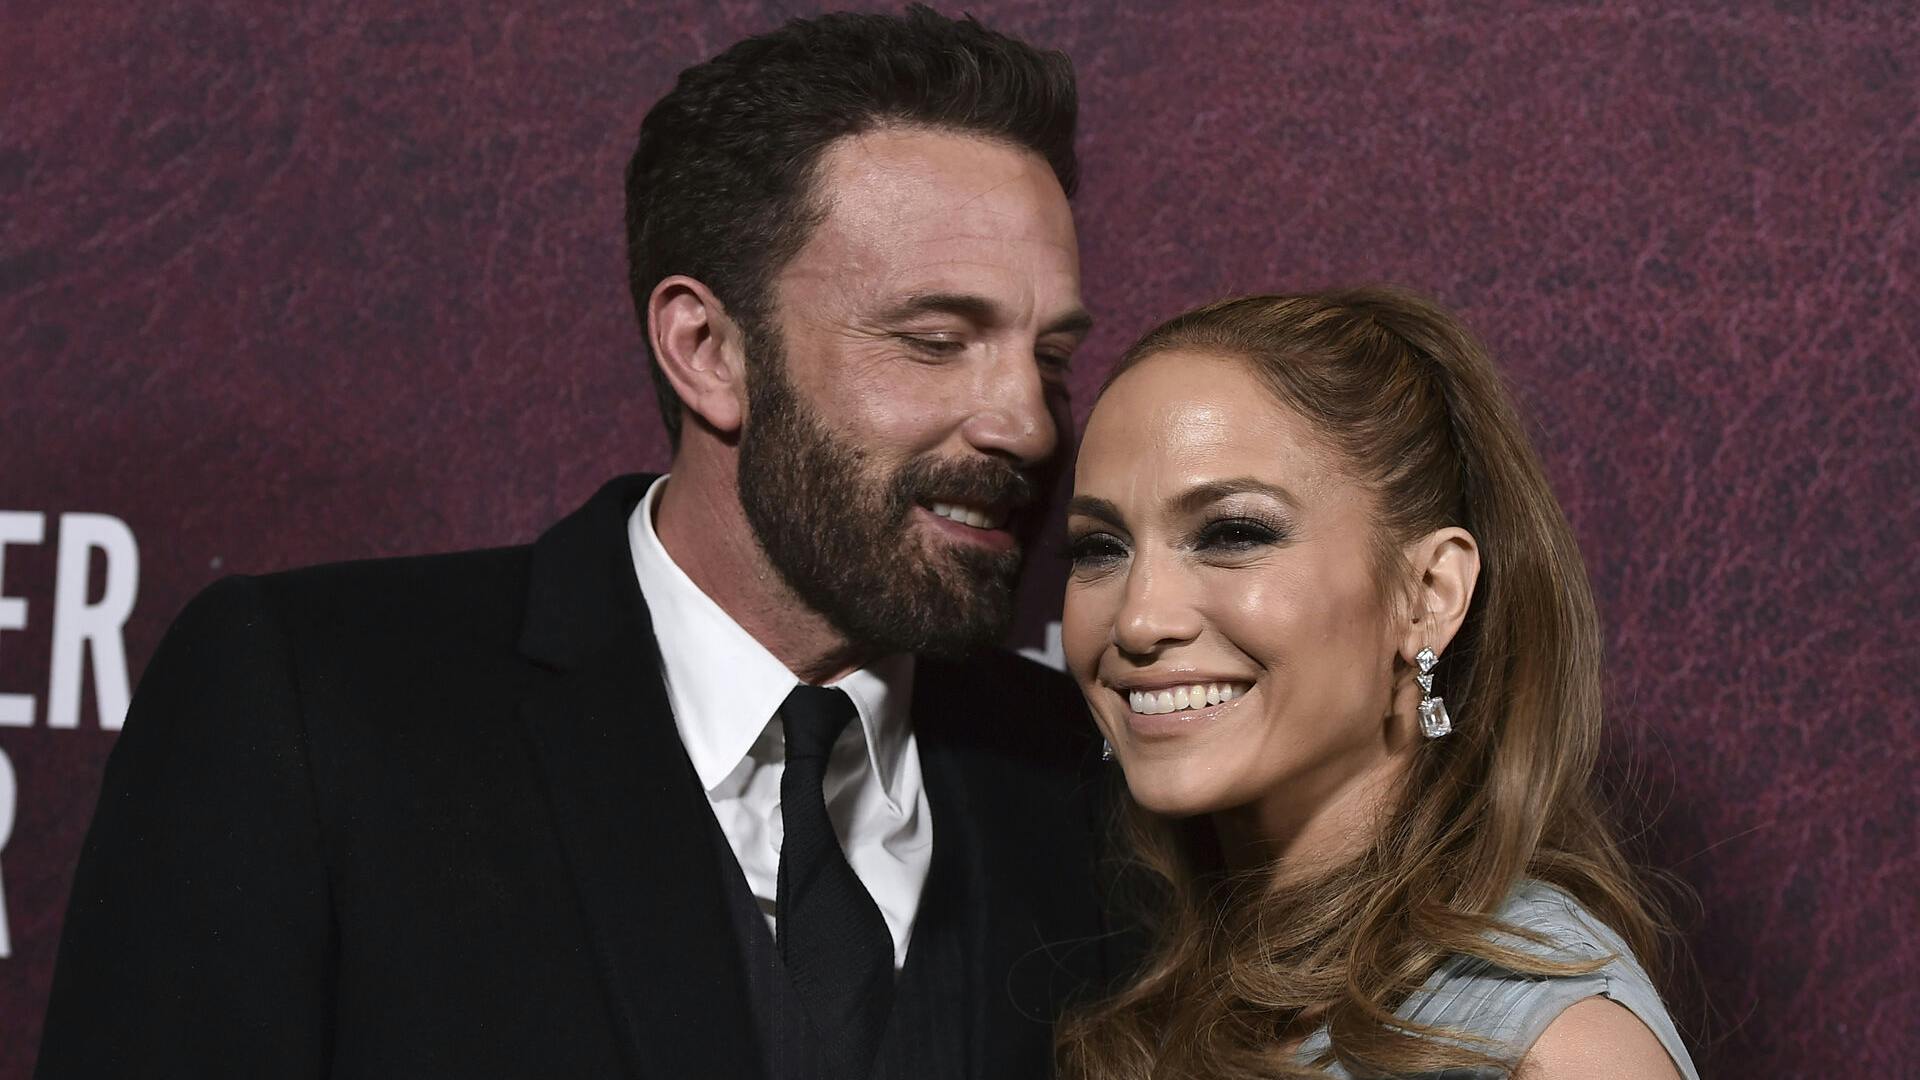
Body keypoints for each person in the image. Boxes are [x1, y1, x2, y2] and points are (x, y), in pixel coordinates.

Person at [36, 8, 1120, 1079]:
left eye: (1054, 361)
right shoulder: (316, 705)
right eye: (935, 342)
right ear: (706, 349)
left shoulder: (1079, 778)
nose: (1028, 424)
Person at [1053, 287, 1699, 1079]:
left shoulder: (1553, 1046)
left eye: (1233, 533)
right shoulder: (1176, 995)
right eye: (1098, 548)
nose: (1138, 620)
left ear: (1427, 595)